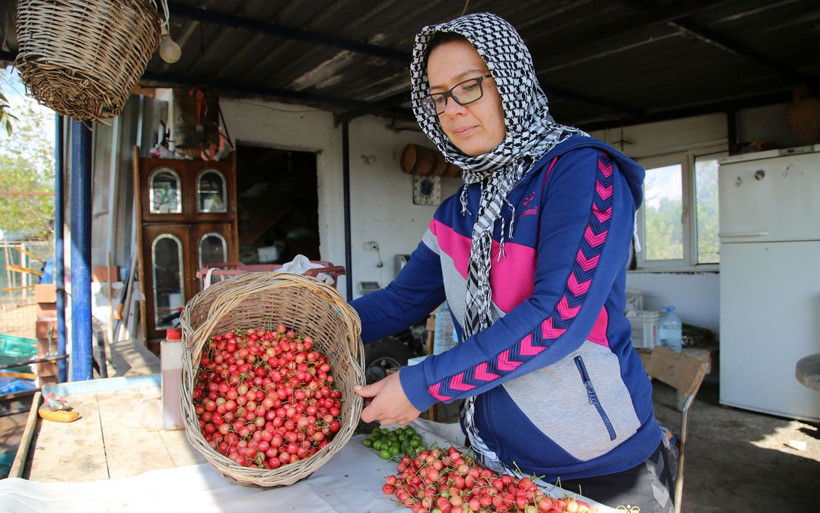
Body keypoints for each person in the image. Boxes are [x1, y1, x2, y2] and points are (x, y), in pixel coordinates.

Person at [351, 12, 674, 512]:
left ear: (511, 83)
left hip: (597, 469)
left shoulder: (580, 172)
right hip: (495, 462)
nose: (452, 109)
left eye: (469, 87)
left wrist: (422, 385)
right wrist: (319, 323)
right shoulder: (458, 211)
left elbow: (558, 318)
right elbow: (400, 302)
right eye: (438, 97)